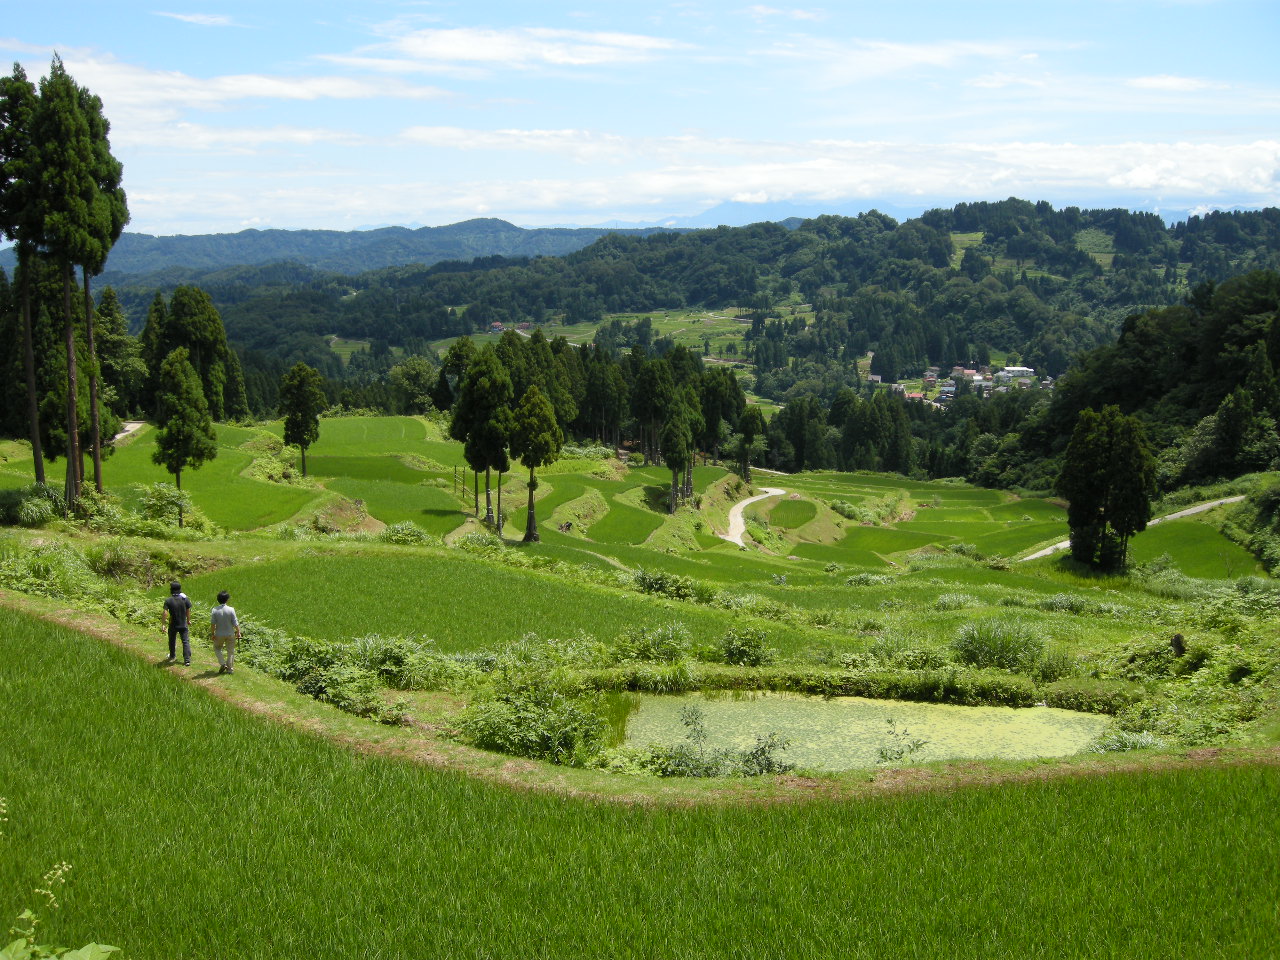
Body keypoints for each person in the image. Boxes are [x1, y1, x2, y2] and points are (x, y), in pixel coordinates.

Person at [210, 590, 241, 675]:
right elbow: (235, 622)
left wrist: (212, 634)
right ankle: (230, 669)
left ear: (218, 600)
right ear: (227, 599)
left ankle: (223, 663)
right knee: (230, 651)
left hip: (219, 634)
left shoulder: (215, 610)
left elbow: (213, 624)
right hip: (230, 634)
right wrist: (238, 632)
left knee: (217, 648)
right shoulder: (231, 610)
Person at [161, 581, 192, 665]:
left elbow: (165, 612)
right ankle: (187, 660)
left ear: (171, 590)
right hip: (183, 624)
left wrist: (163, 624)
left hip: (173, 624)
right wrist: (188, 620)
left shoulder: (168, 600)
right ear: (179, 589)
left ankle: (172, 656)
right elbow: (188, 610)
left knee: (172, 640)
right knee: (185, 641)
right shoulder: (185, 599)